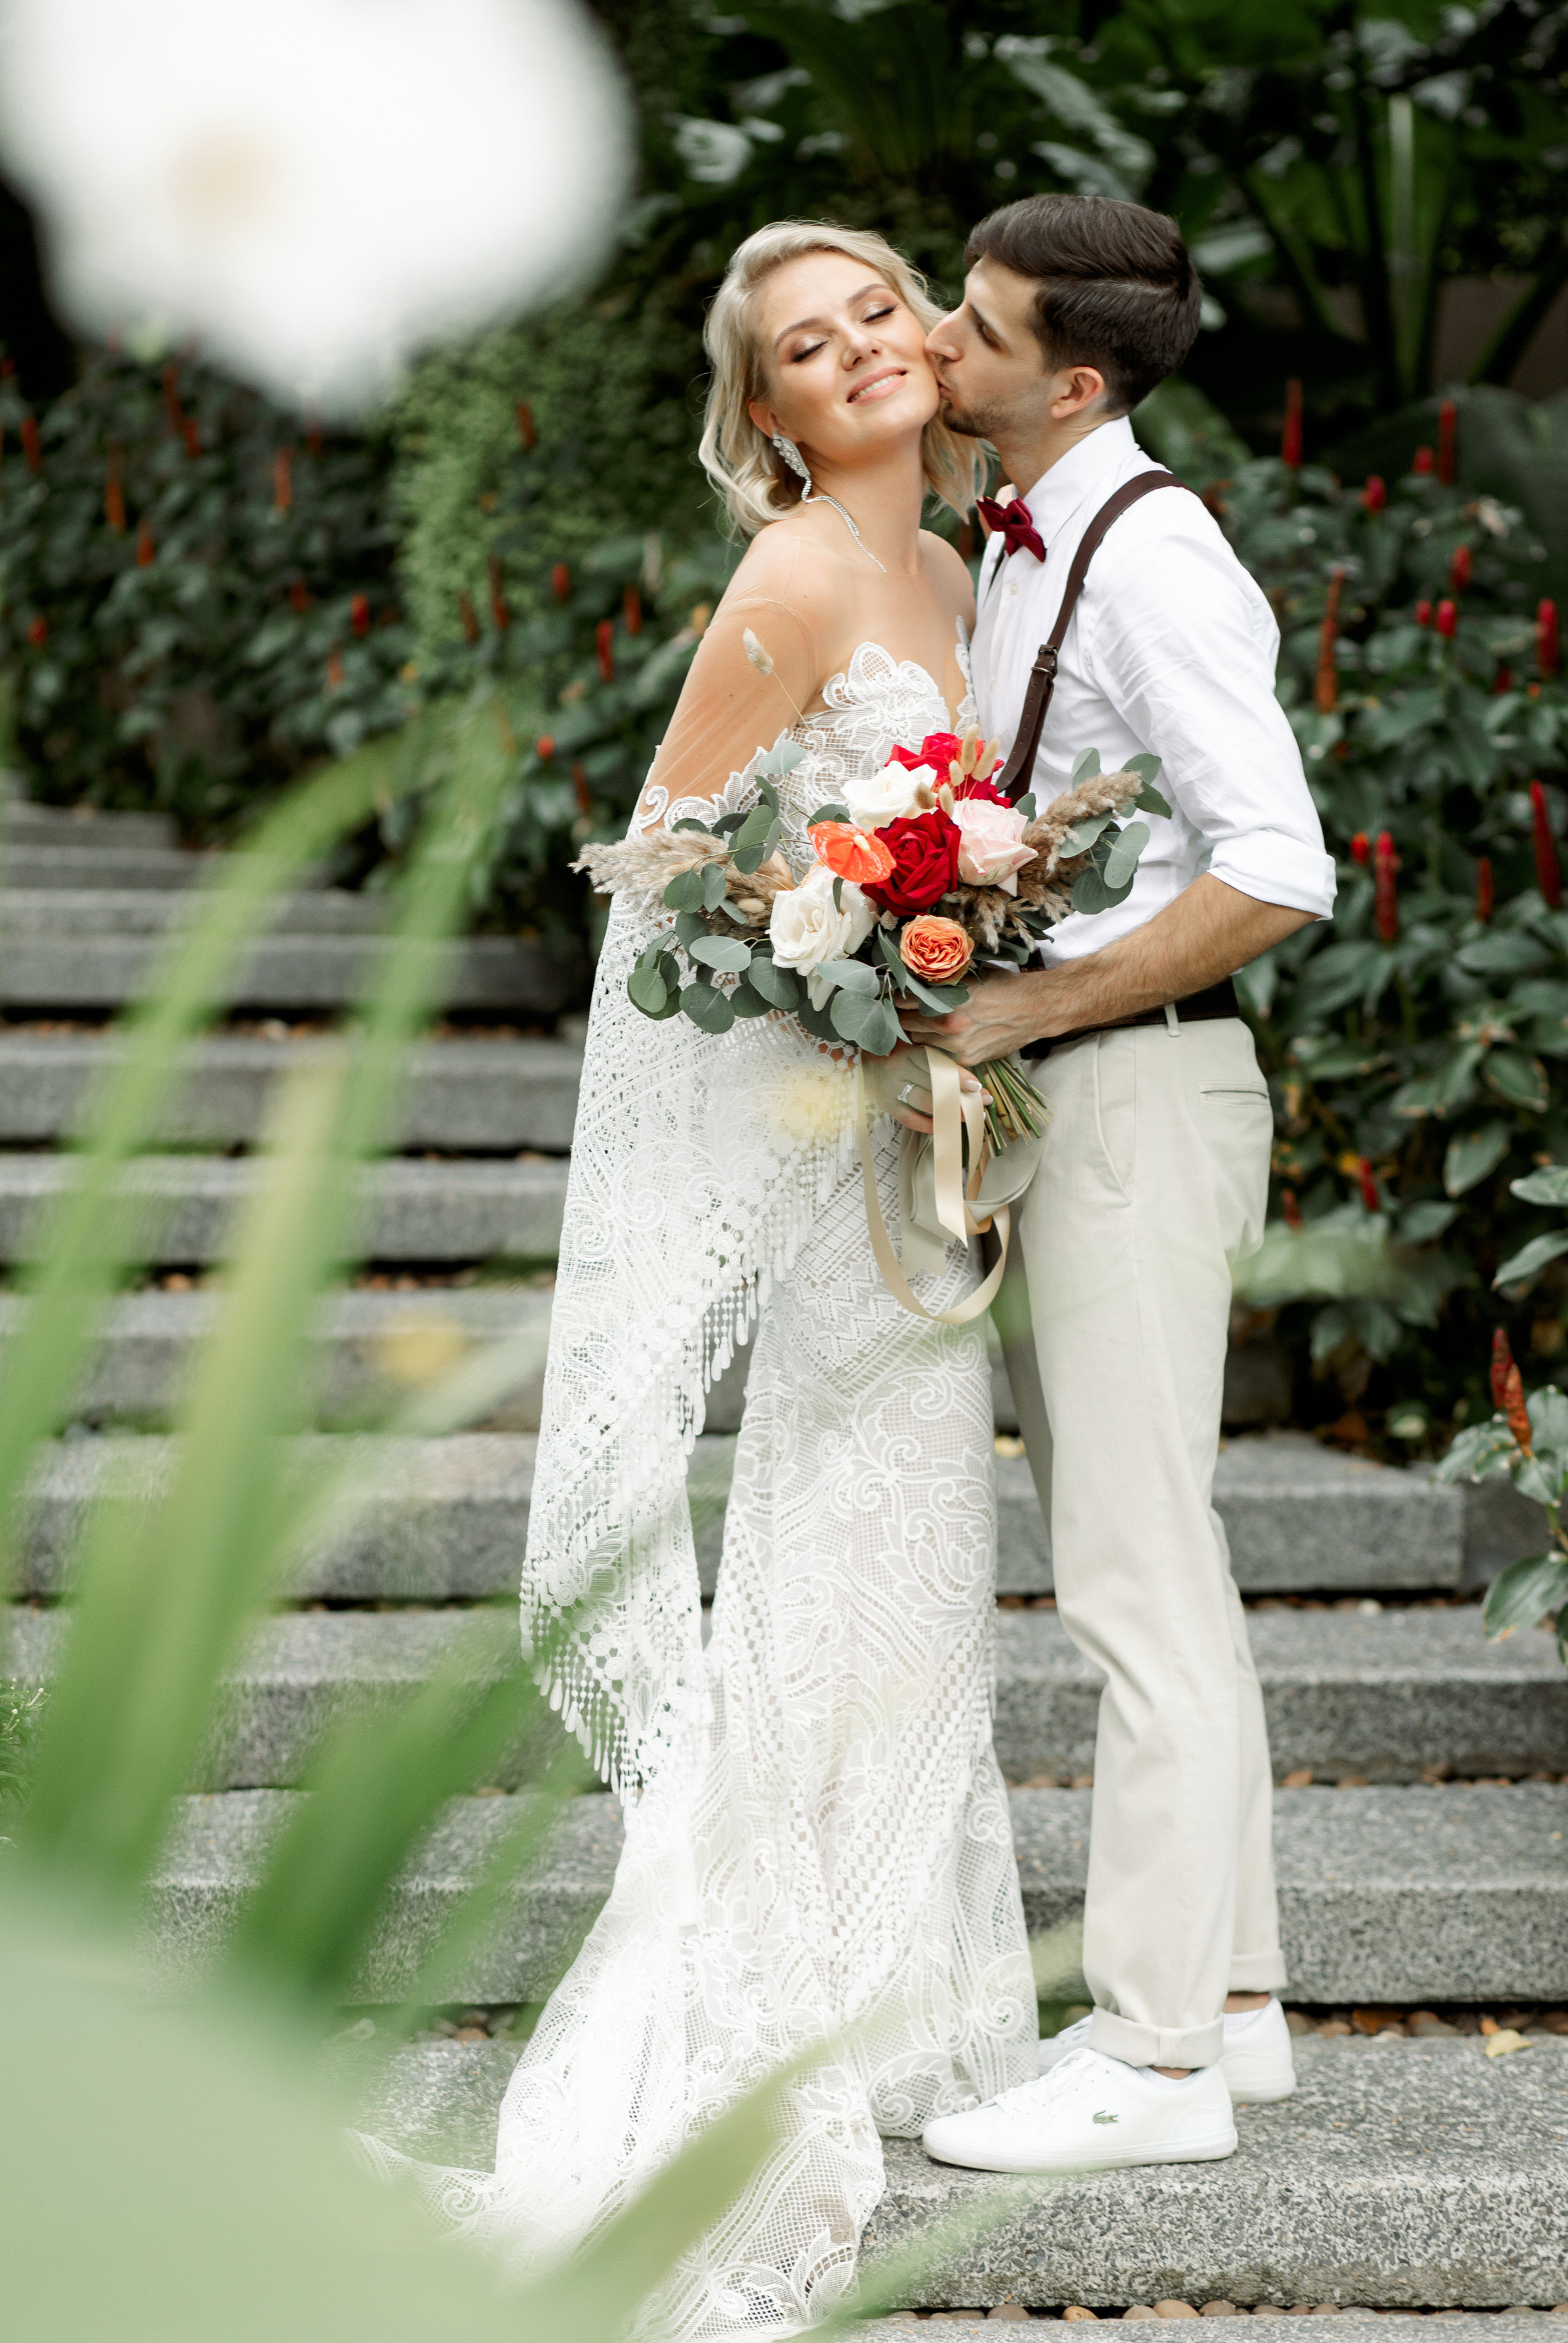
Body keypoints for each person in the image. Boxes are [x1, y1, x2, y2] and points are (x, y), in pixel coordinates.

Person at [403, 222, 1037, 2336]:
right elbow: (659, 854)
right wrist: (830, 952)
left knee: (919, 1543)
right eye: (803, 346)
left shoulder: (956, 569)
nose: (853, 353)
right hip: (830, 1129)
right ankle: (779, 2009)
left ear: (925, 341)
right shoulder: (798, 579)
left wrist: (945, 959)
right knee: (835, 1537)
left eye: (871, 315)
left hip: (932, 1129)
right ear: (763, 412)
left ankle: (897, 1987)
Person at [912, 194, 1336, 2177]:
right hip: (1093, 1096)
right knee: (1159, 1559)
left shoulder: (1152, 558)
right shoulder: (1031, 531)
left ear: (1072, 384)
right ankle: (1232, 2005)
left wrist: (1038, 1005)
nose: (936, 338)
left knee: (1128, 1585)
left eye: (974, 326)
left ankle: (1154, 2062)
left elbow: (1278, 866)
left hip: (1140, 1094)